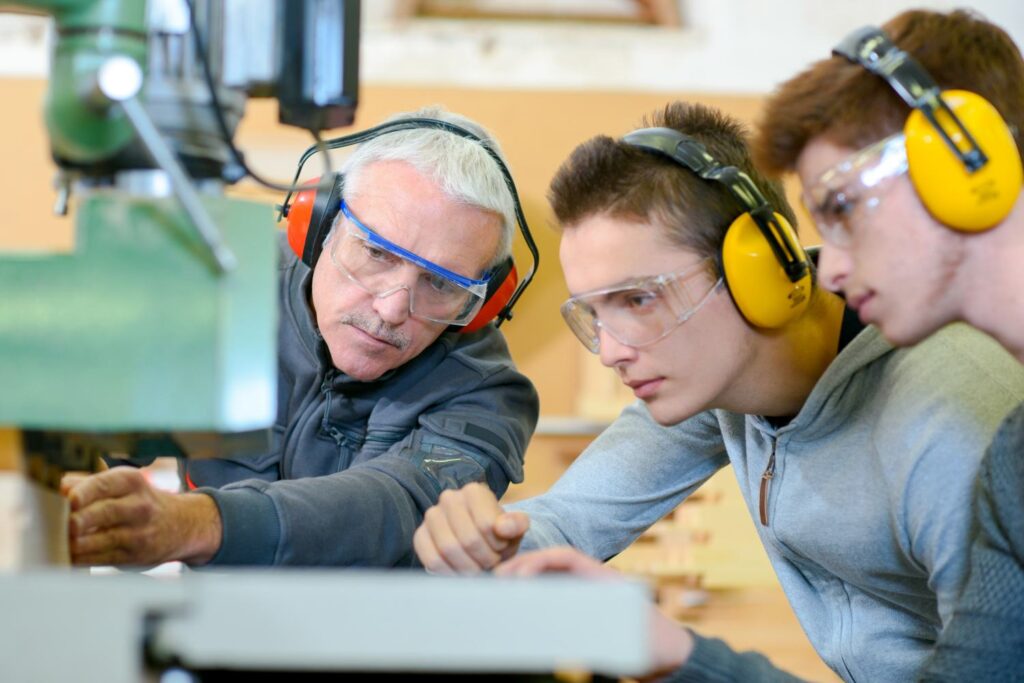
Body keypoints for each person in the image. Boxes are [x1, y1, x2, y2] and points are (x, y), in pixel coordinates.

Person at [412, 101, 1024, 682]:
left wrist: (676, 656)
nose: (612, 351)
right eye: (595, 315)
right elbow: (574, 517)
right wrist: (491, 538)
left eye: (638, 300)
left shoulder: (953, 422)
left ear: (763, 265)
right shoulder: (716, 387)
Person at [60, 106, 539, 568]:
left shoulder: (487, 391)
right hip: (208, 633)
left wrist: (195, 525)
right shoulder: (221, 286)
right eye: (375, 252)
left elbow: (395, 507)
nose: (392, 309)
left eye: (441, 284)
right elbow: (95, 422)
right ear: (318, 225)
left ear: (484, 304)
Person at [755, 9, 1024, 681]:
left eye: (842, 207)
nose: (829, 269)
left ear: (967, 159)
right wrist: (680, 655)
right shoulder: (1014, 461)